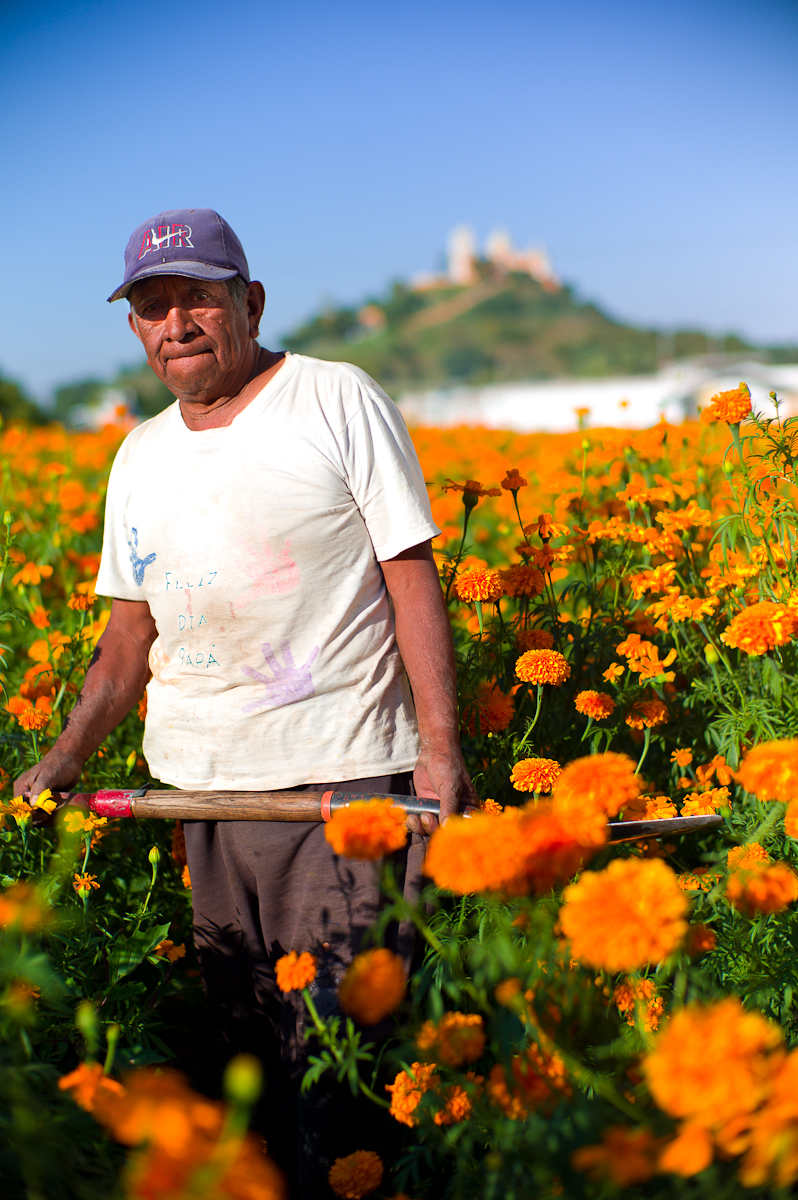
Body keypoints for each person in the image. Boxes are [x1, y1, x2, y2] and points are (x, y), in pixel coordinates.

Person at [16, 208, 477, 1193]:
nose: (175, 322)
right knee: (252, 1045)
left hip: (341, 784)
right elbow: (126, 641)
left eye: (196, 297)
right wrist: (61, 760)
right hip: (202, 793)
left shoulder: (333, 399)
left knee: (337, 1063)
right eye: (151, 306)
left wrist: (439, 753)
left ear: (249, 301)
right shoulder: (139, 456)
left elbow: (410, 575)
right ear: (134, 327)